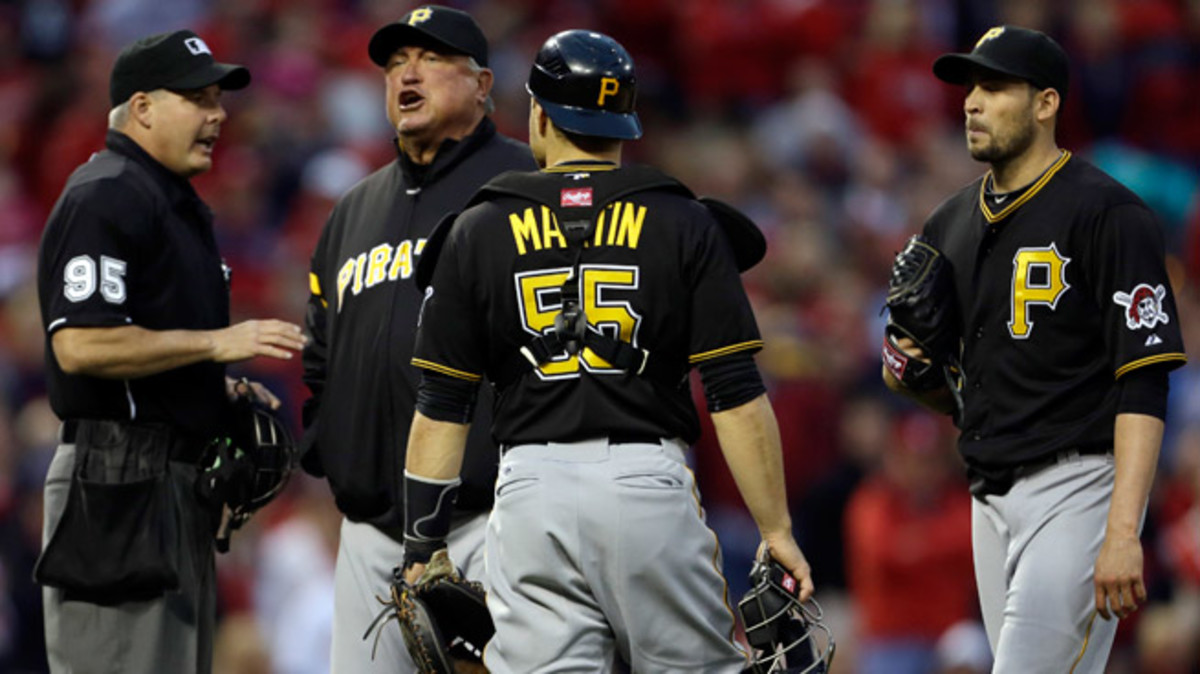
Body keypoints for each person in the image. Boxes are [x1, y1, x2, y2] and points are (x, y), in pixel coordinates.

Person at [401, 29, 813, 672]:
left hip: (530, 491)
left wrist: (421, 544)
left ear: (540, 115)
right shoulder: (683, 219)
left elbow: (441, 405)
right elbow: (734, 392)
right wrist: (776, 530)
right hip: (644, 483)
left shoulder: (477, 227)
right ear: (624, 121)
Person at [882, 25, 1188, 672]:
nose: (972, 102)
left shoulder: (1108, 213)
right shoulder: (949, 223)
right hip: (988, 494)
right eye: (971, 88)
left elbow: (1144, 377)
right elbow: (945, 383)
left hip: (1078, 487)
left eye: (995, 87)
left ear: (1046, 103)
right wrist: (907, 369)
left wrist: (1122, 529)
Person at [34, 30, 306, 674]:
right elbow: (80, 343)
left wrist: (210, 387)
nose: (218, 115)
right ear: (143, 108)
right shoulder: (107, 192)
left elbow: (147, 350)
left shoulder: (172, 204)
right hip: (116, 486)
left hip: (170, 488)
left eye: (218, 99)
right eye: (198, 98)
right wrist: (216, 343)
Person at [298, 5, 535, 671]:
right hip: (371, 532)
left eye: (430, 59)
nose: (407, 74)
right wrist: (331, 445)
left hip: (489, 520)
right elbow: (320, 350)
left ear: (482, 84)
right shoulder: (354, 208)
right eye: (396, 63)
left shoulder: (525, 187)